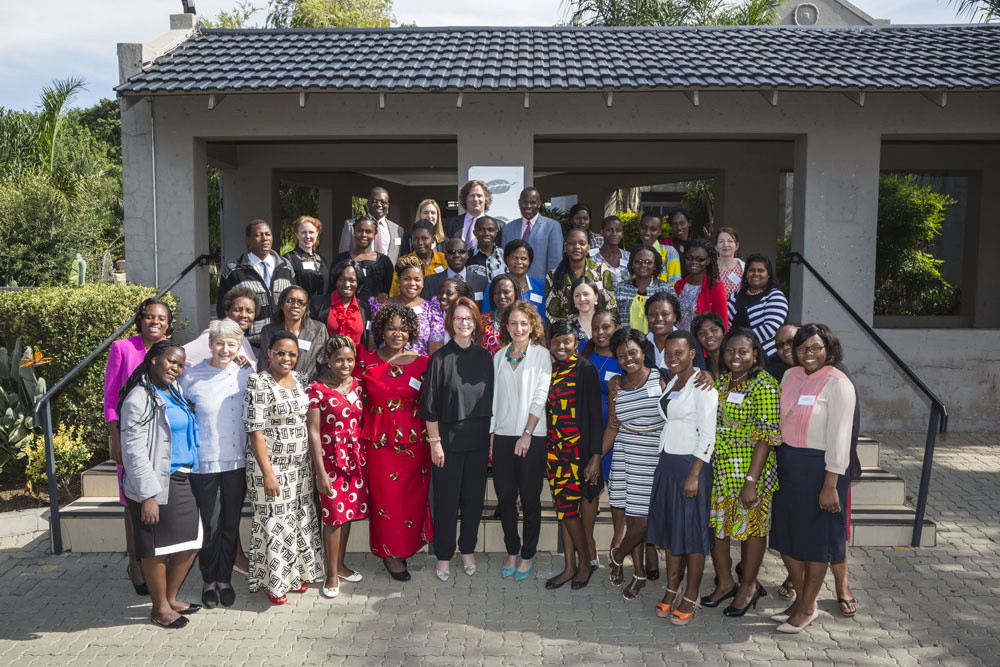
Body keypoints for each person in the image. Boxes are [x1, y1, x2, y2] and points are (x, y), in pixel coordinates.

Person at [767, 324, 862, 618]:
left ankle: (806, 607)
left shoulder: (839, 383)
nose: (808, 354)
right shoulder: (789, 375)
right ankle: (803, 599)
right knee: (786, 536)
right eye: (801, 348)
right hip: (788, 463)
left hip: (822, 469)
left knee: (816, 541)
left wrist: (831, 483)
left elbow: (841, 438)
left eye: (815, 348)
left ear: (828, 349)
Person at [118, 340, 201, 628]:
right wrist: (148, 495)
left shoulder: (172, 390)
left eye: (180, 364)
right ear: (153, 359)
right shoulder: (138, 398)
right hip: (156, 481)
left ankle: (170, 597)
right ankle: (159, 608)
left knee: (192, 541)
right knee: (155, 548)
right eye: (170, 361)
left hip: (182, 477)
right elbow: (133, 451)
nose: (176, 368)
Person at [701, 327, 781, 618]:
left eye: (742, 351)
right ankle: (724, 583)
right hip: (721, 469)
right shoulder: (722, 381)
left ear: (755, 354)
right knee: (719, 530)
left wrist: (752, 481)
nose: (735, 356)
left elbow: (766, 436)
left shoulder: (765, 385)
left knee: (751, 530)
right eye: (730, 351)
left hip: (750, 471)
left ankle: (748, 586)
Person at [243, 332, 325, 604]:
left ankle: (295, 573)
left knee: (298, 519)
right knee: (275, 522)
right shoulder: (258, 382)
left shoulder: (301, 381)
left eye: (291, 354)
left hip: (299, 467)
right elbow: (256, 432)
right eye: (281, 353)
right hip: (270, 466)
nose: (287, 358)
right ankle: (273, 581)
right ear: (269, 353)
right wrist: (267, 473)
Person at [355, 304, 433, 581]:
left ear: (411, 331)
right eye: (391, 328)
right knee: (386, 500)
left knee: (411, 500)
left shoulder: (423, 362)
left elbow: (432, 404)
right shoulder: (364, 360)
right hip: (378, 443)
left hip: (414, 445)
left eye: (403, 328)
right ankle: (391, 554)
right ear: (381, 331)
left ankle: (408, 546)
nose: (397, 333)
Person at [645, 330, 718, 626]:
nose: (672, 357)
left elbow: (709, 435)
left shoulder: (704, 386)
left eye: (680, 352)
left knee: (693, 535)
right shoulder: (674, 380)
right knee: (672, 532)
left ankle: (691, 595)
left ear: (693, 354)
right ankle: (671, 589)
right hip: (667, 463)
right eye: (669, 353)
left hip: (691, 466)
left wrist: (694, 475)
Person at [179, 319, 252, 610]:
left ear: (239, 346)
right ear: (210, 345)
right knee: (209, 526)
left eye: (231, 344)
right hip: (204, 464)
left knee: (230, 524)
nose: (225, 349)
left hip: (236, 462)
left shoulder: (246, 374)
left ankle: (225, 579)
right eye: (219, 343)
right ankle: (208, 580)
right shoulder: (191, 377)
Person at [421, 298, 494, 582]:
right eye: (459, 318)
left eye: (469, 318)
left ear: (476, 323)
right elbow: (429, 407)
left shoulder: (485, 357)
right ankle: (443, 555)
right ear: (450, 323)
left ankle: (467, 551)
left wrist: (490, 438)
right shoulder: (439, 359)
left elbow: (492, 401)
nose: (464, 323)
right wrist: (435, 442)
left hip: (478, 440)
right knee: (447, 502)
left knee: (474, 501)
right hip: (448, 443)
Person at [106, 297, 173, 597]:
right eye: (149, 317)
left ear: (168, 323)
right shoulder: (123, 348)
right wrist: (115, 438)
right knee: (132, 504)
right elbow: (110, 398)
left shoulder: (170, 349)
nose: (155, 322)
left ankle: (157, 562)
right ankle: (135, 564)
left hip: (161, 440)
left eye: (161, 318)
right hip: (131, 439)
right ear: (140, 319)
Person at [599, 328, 665, 600]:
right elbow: (613, 425)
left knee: (643, 523)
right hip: (626, 453)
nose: (628, 358)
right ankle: (638, 573)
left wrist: (706, 374)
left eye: (633, 352)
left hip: (653, 456)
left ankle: (617, 556)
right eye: (622, 354)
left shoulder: (662, 379)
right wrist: (596, 457)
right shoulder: (615, 385)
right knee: (632, 517)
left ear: (644, 352)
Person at [490, 301, 551, 581]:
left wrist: (527, 433)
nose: (518, 328)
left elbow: (541, 396)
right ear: (506, 326)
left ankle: (528, 553)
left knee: (529, 499)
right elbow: (493, 400)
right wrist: (492, 436)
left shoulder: (541, 355)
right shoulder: (499, 356)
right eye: (513, 323)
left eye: (524, 323)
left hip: (532, 437)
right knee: (504, 497)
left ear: (532, 326)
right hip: (502, 436)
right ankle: (511, 550)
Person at [306, 336, 369, 599]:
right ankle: (330, 574)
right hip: (330, 462)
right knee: (333, 518)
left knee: (347, 515)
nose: (345, 365)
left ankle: (341, 565)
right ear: (328, 361)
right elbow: (313, 432)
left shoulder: (358, 386)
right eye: (339, 360)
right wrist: (320, 473)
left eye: (350, 360)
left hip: (355, 460)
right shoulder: (316, 389)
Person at [545, 319, 603, 590]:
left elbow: (593, 415)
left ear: (576, 343)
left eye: (566, 342)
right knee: (563, 509)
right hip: (554, 450)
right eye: (556, 342)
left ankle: (584, 563)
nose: (561, 346)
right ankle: (569, 566)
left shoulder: (585, 369)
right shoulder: (550, 369)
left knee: (570, 510)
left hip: (576, 451)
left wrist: (595, 456)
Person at [579, 310, 623, 571]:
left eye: (606, 327)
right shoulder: (584, 355)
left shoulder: (625, 359)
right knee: (589, 488)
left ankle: (618, 543)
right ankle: (588, 543)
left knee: (618, 493)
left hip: (617, 437)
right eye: (595, 328)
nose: (600, 333)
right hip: (587, 436)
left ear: (616, 328)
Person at [217, 220, 295, 349]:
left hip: (281, 344)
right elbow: (222, 309)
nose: (265, 238)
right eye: (259, 235)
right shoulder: (233, 269)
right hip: (249, 345)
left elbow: (293, 301)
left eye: (268, 234)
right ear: (248, 239)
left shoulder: (286, 266)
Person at [370, 255, 446, 356]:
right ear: (399, 281)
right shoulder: (382, 305)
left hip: (420, 369)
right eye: (407, 279)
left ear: (423, 282)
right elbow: (373, 342)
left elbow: (435, 348)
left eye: (417, 279)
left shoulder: (432, 309)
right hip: (385, 367)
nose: (412, 283)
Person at [258, 285, 328, 380]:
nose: (295, 305)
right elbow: (263, 366)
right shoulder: (268, 331)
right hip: (277, 386)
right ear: (282, 305)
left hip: (308, 388)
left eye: (300, 302)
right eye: (290, 301)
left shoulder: (319, 329)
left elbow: (325, 364)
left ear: (305, 307)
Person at [545, 229, 616, 322]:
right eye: (571, 243)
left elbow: (611, 306)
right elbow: (551, 316)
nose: (577, 247)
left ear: (588, 248)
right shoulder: (552, 276)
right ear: (565, 247)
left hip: (597, 329)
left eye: (582, 243)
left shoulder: (601, 270)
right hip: (567, 333)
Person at [728, 254, 788, 358]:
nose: (755, 274)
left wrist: (739, 342)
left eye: (761, 270)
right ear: (746, 274)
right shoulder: (734, 296)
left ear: (768, 274)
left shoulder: (775, 296)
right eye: (751, 270)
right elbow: (725, 324)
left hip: (766, 356)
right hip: (735, 356)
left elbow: (770, 329)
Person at [500, 187, 564, 281]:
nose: (528, 206)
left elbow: (555, 264)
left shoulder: (552, 227)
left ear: (539, 204)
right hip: (512, 287)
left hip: (540, 288)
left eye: (533, 202)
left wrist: (550, 289)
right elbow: (504, 262)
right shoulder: (508, 228)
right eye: (525, 202)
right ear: (519, 203)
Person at [184, 288, 258, 368]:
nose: (243, 315)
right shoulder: (212, 337)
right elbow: (181, 357)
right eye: (237, 310)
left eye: (249, 311)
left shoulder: (243, 340)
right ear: (227, 312)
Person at [333, 215, 393, 306]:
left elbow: (390, 290)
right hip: (347, 312)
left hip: (376, 313)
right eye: (359, 230)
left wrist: (384, 295)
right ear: (354, 232)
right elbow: (333, 289)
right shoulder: (341, 259)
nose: (363, 235)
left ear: (375, 233)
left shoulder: (384, 261)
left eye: (368, 231)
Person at [310, 258, 371, 349]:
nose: (346, 284)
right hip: (326, 362)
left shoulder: (364, 308)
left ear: (358, 282)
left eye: (352, 280)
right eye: (341, 279)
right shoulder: (318, 304)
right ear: (336, 281)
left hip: (356, 361)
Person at [614, 244, 673, 331]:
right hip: (627, 341)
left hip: (657, 341)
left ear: (655, 265)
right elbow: (614, 318)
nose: (643, 265)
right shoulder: (619, 288)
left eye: (648, 262)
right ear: (632, 264)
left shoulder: (666, 288)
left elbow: (674, 316)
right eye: (638, 261)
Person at [643, 292, 706, 374]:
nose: (658, 319)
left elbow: (701, 376)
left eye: (665, 314)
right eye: (652, 315)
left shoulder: (690, 342)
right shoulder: (640, 344)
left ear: (675, 317)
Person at [339, 187, 405, 264]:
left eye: (383, 202)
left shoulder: (397, 229)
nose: (379, 205)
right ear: (368, 203)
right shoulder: (351, 225)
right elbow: (343, 256)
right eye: (375, 201)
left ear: (388, 205)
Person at [674, 238, 728, 332]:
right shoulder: (678, 285)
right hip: (678, 341)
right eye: (689, 258)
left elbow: (722, 322)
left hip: (702, 342)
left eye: (700, 259)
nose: (694, 262)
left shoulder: (716, 287)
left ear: (707, 261)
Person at [421, 237, 489, 308]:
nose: (457, 255)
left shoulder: (482, 282)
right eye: (451, 252)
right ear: (445, 255)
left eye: (461, 251)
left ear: (468, 255)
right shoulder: (430, 282)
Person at [389, 220, 447, 296]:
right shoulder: (404, 262)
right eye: (415, 239)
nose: (419, 243)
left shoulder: (445, 260)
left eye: (424, 238)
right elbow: (395, 292)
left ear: (433, 239)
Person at [284, 215, 329, 299]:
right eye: (303, 232)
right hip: (302, 309)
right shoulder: (289, 259)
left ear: (317, 234)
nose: (308, 236)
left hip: (322, 309)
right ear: (296, 234)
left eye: (311, 232)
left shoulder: (321, 259)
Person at [500, 239, 546, 321]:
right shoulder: (495, 287)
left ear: (530, 261)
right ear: (506, 259)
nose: (519, 262)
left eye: (523, 258)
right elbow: (487, 318)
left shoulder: (542, 287)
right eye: (514, 258)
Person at [443, 179, 491, 251]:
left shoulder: (498, 226)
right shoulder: (448, 224)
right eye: (472, 195)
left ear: (486, 199)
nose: (475, 199)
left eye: (479, 195)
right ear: (465, 199)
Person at [480, 274, 521, 355]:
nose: (501, 296)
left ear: (515, 293)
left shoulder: (525, 320)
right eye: (497, 293)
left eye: (506, 292)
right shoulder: (483, 319)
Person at [637, 214, 681, 286]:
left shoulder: (669, 252)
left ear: (659, 231)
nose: (647, 232)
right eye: (644, 228)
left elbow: (675, 285)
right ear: (639, 228)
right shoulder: (633, 254)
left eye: (653, 229)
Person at [591, 215, 630, 284]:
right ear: (602, 232)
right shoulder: (592, 258)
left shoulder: (629, 257)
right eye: (609, 230)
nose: (614, 234)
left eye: (618, 230)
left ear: (622, 233)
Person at [468, 216, 508, 281]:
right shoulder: (467, 256)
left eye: (490, 230)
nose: (486, 233)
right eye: (481, 229)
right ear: (475, 233)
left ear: (496, 233)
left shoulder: (505, 256)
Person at [568, 275, 606, 343]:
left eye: (586, 294)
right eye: (577, 295)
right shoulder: (568, 326)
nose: (582, 299)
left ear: (596, 296)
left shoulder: (608, 322)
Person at [693, 312, 726, 378]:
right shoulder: (699, 366)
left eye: (714, 330)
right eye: (701, 333)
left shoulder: (733, 360)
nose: (708, 335)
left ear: (724, 332)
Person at [715, 227, 744, 299]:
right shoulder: (709, 268)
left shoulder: (745, 268)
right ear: (716, 247)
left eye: (730, 241)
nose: (725, 244)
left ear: (737, 246)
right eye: (721, 241)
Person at [667, 207, 694, 271]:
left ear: (689, 223)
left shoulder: (695, 246)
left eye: (682, 223)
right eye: (674, 224)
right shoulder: (665, 246)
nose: (679, 228)